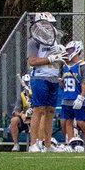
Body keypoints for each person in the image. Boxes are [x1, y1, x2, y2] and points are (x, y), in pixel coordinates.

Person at [24, 12, 63, 152]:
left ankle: (47, 144)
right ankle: (34, 144)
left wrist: (62, 54)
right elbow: (32, 61)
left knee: (50, 111)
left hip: (53, 78)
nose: (50, 28)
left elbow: (58, 58)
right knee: (38, 110)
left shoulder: (54, 41)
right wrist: (50, 59)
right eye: (48, 24)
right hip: (40, 78)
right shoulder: (33, 42)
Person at [58, 41, 85, 151]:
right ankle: (72, 142)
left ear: (77, 50)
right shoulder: (65, 66)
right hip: (66, 98)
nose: (68, 53)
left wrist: (81, 96)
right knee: (68, 121)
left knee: (80, 121)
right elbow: (63, 84)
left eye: (70, 50)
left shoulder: (83, 65)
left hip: (77, 98)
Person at [8, 77, 32, 151]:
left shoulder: (37, 94)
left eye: (29, 82)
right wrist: (22, 115)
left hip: (35, 119)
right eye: (26, 82)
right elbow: (15, 111)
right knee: (14, 120)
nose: (27, 85)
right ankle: (16, 144)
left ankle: (35, 144)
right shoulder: (21, 95)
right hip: (24, 119)